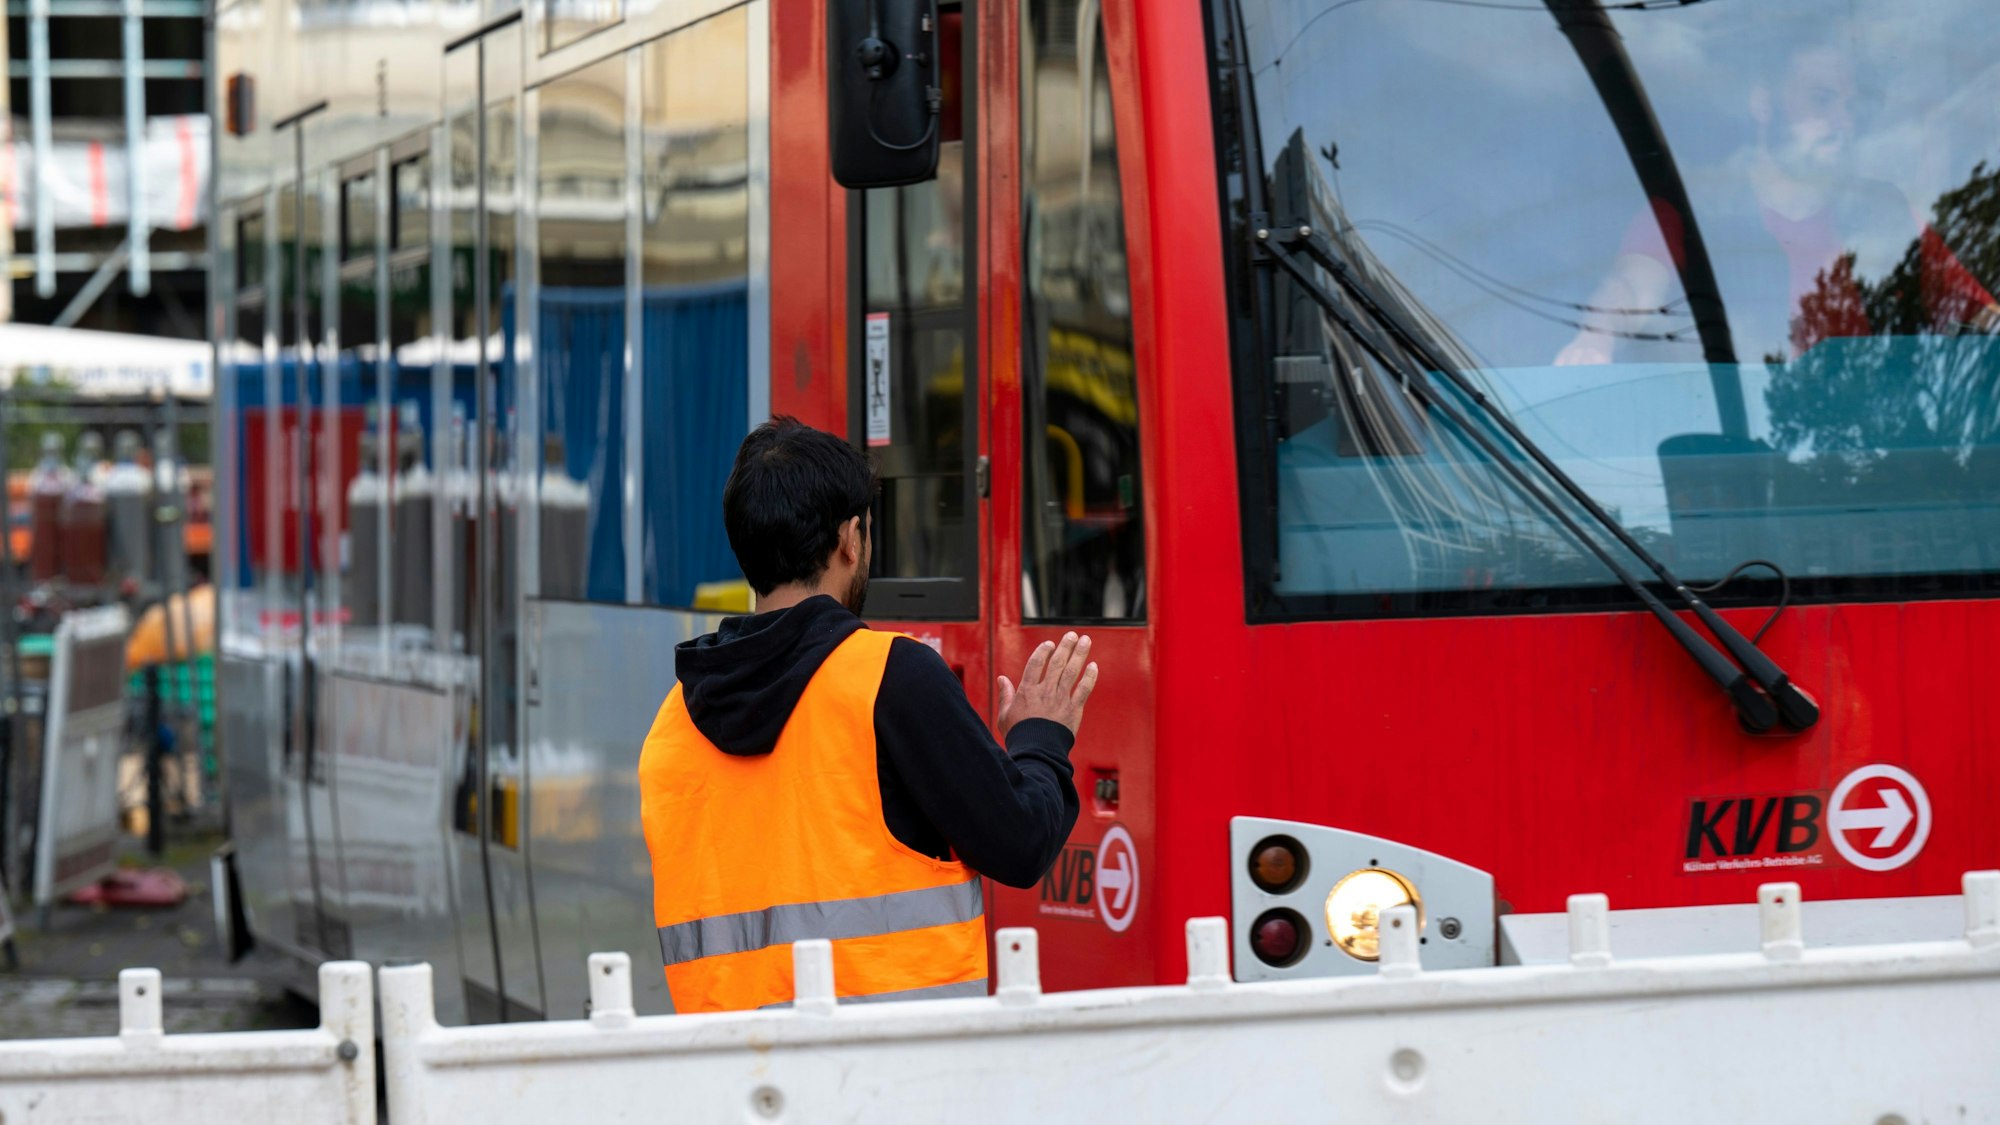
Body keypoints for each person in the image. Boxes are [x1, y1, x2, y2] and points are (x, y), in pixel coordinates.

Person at [638, 416, 1099, 1013]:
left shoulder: (672, 725)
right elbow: (1019, 843)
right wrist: (1042, 738)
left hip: (743, 1085)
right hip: (892, 1077)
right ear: (850, 539)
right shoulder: (890, 678)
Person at [1555, 41, 2000, 367]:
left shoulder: (1884, 212)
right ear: (1763, 104)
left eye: (1851, 107)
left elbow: (1975, 312)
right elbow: (1634, 286)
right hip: (1741, 462)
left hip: (1875, 461)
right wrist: (1596, 340)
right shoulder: (1694, 209)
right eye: (1822, 100)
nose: (1841, 123)